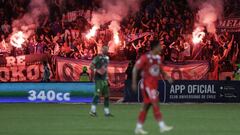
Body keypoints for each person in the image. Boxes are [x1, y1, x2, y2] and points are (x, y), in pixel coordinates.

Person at [132, 39, 173, 134]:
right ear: (155, 47)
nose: (161, 47)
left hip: (153, 84)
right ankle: (162, 126)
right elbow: (135, 69)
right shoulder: (145, 57)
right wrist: (134, 83)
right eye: (160, 45)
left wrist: (167, 77)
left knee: (146, 106)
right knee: (155, 103)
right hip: (147, 84)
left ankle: (138, 127)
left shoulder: (158, 58)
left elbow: (161, 70)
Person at [89, 46, 113, 117]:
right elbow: (91, 66)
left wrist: (108, 79)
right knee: (97, 94)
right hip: (98, 79)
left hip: (104, 79)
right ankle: (92, 111)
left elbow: (106, 69)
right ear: (102, 50)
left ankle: (107, 112)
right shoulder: (97, 58)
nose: (106, 50)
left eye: (107, 49)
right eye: (105, 49)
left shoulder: (107, 58)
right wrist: (97, 70)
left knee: (107, 96)